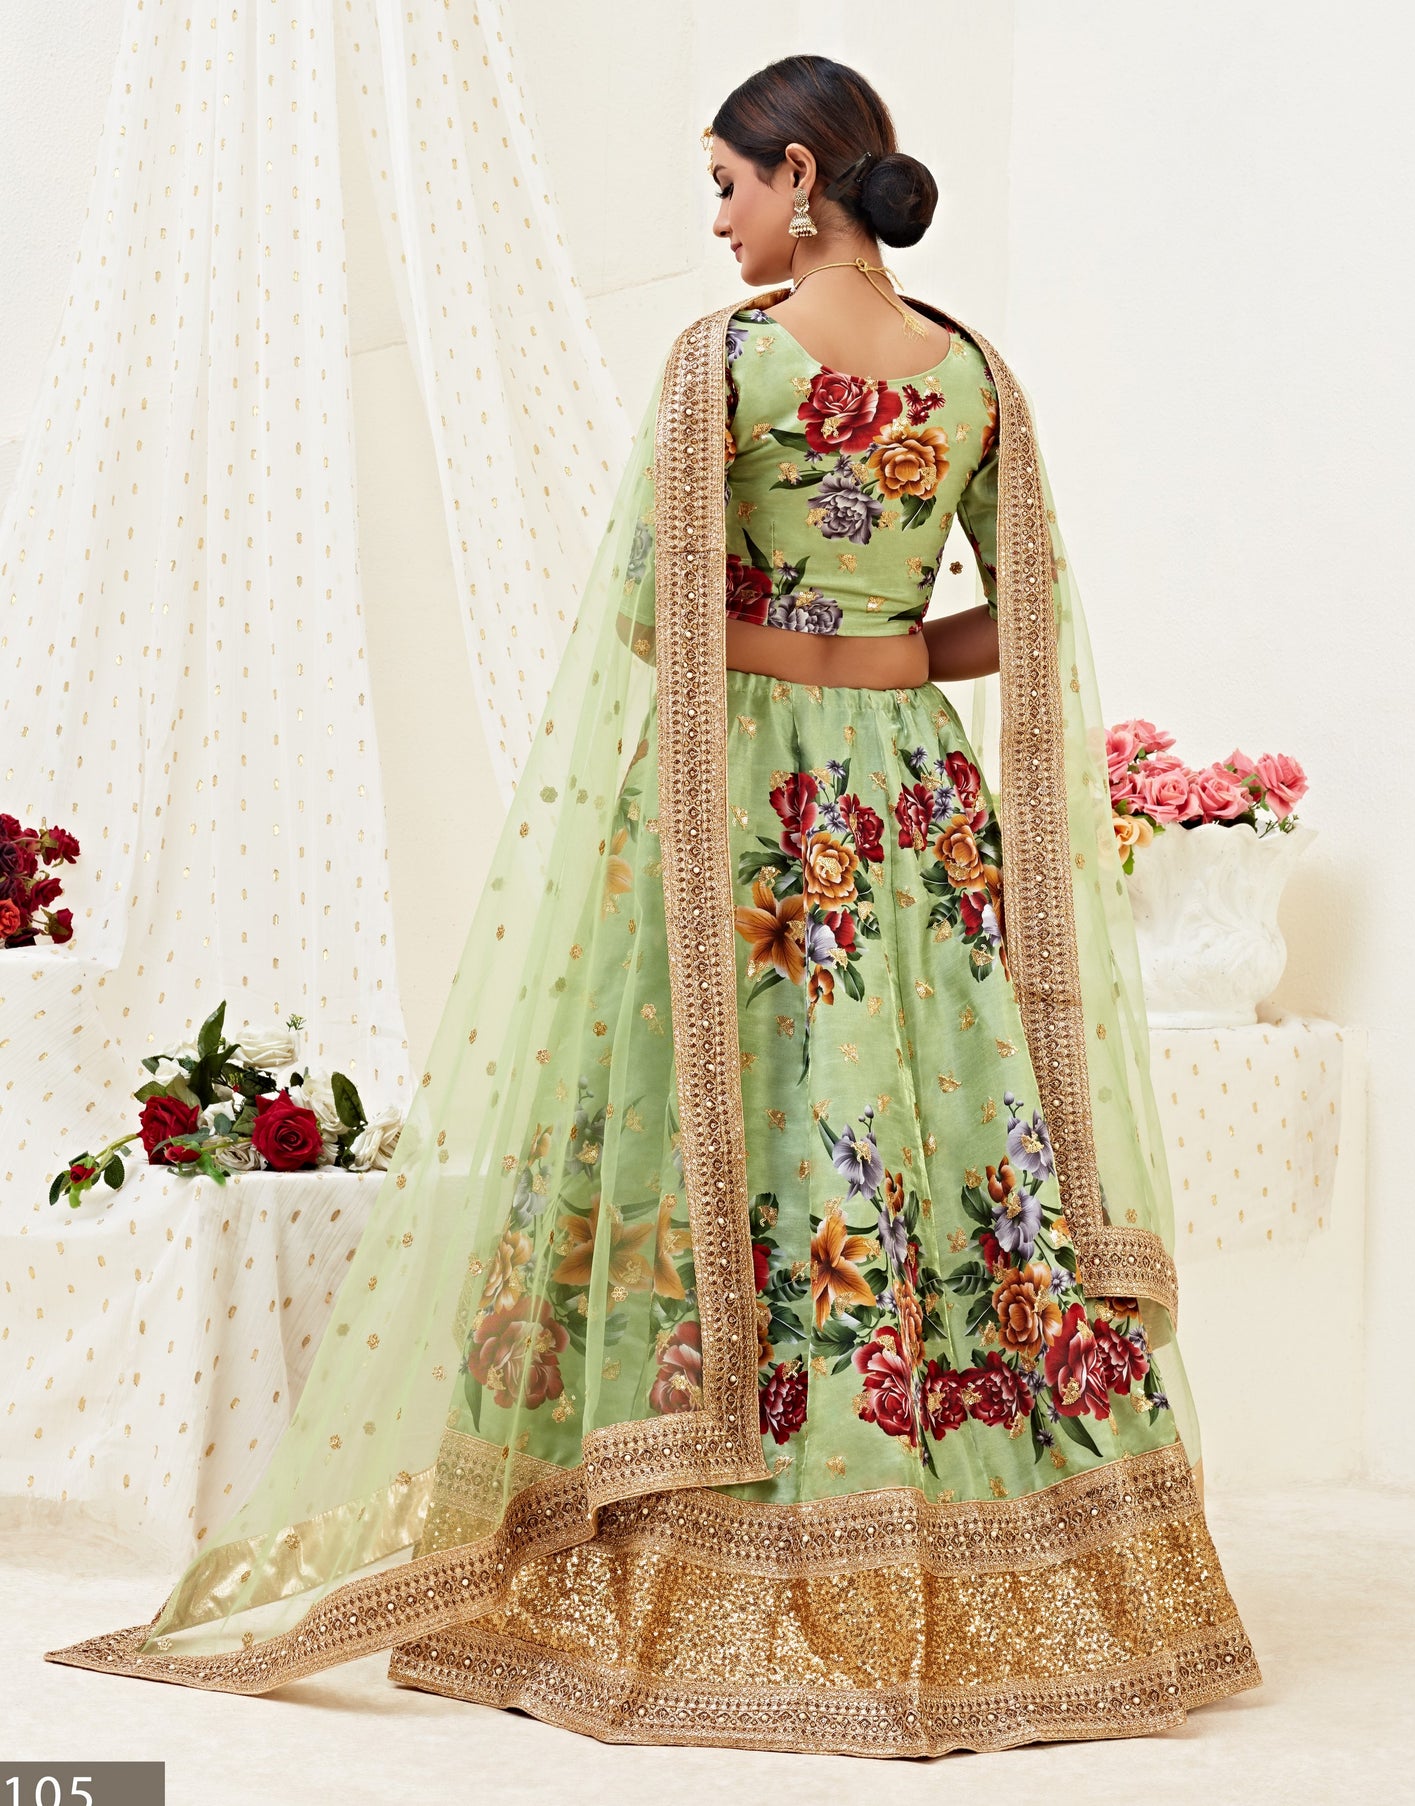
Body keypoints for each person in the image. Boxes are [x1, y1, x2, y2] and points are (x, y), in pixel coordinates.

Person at [45, 56, 1262, 1754]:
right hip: (910, 807)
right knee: (931, 1125)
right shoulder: (976, 374)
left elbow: (646, 616)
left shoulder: (727, 364)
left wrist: (792, 642)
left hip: (742, 798)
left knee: (720, 1117)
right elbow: (1027, 615)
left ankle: (700, 1514)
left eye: (725, 184)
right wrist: (883, 650)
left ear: (799, 175)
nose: (717, 221)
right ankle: (971, 1520)